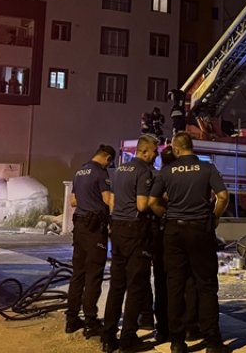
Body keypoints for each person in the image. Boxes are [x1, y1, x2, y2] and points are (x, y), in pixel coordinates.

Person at [149, 133, 230, 353]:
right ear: (191, 147)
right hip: (200, 229)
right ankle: (212, 342)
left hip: (174, 231)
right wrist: (214, 218)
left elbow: (151, 202)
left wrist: (166, 216)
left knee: (175, 285)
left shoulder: (167, 171)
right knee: (206, 285)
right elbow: (223, 196)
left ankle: (177, 342)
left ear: (175, 149)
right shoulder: (207, 168)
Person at [100, 135, 160, 353]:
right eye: (154, 151)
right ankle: (128, 338)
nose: (156, 155)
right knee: (136, 285)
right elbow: (142, 205)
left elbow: (113, 202)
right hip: (135, 230)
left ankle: (107, 337)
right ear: (144, 151)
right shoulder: (143, 171)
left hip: (117, 228)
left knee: (117, 285)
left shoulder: (119, 170)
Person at [149, 145, 200, 345]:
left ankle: (163, 328)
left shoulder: (160, 176)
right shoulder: (185, 175)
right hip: (185, 233)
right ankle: (190, 327)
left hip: (161, 236)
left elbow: (152, 203)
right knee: (188, 282)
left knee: (162, 283)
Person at [67, 145, 115, 337]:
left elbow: (73, 201)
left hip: (79, 226)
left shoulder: (80, 171)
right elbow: (107, 199)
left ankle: (71, 320)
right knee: (93, 274)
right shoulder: (100, 173)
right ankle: (90, 321)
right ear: (108, 158)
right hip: (95, 229)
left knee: (78, 273)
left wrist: (87, 197)